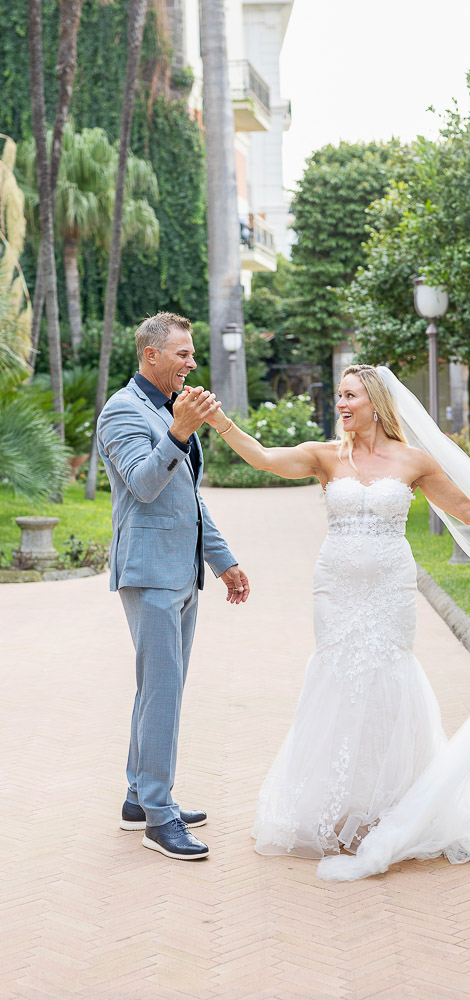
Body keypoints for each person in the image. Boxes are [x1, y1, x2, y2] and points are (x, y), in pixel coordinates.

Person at [202, 364, 470, 879]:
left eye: (350, 396)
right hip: (336, 589)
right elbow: (263, 458)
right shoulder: (325, 456)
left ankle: (391, 806)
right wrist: (218, 420)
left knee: (389, 682)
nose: (341, 404)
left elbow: (469, 509)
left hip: (390, 589)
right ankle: (333, 810)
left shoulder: (414, 460)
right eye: (341, 397)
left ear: (376, 402)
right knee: (337, 678)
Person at [97, 312, 250, 862]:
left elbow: (188, 496)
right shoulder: (122, 412)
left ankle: (140, 798)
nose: (191, 363)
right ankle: (160, 820)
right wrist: (179, 431)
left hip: (182, 572)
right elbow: (141, 484)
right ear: (151, 356)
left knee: (160, 689)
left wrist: (223, 561)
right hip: (149, 574)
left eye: (191, 354)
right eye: (182, 354)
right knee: (162, 692)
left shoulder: (164, 409)